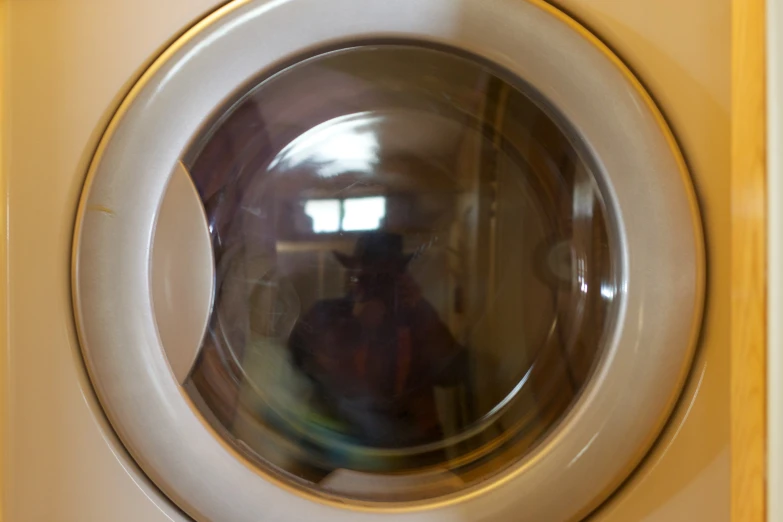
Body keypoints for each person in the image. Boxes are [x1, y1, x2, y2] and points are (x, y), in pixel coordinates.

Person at [288, 232, 467, 448]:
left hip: (411, 452)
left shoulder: (416, 317)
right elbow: (300, 361)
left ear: (401, 278)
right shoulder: (327, 314)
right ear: (352, 276)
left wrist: (421, 309)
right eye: (365, 277)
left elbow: (454, 373)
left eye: (384, 278)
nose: (374, 286)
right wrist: (355, 326)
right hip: (337, 446)